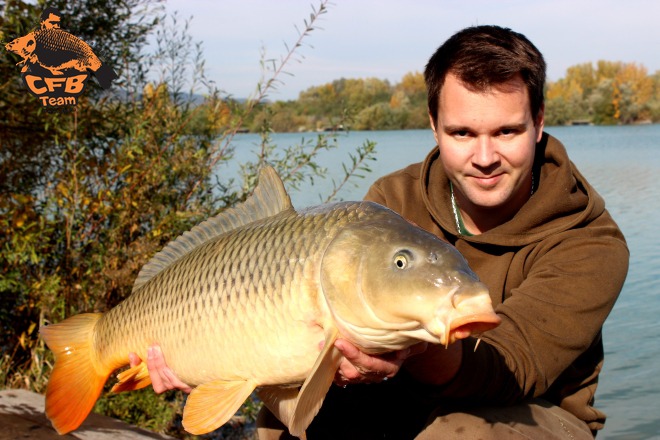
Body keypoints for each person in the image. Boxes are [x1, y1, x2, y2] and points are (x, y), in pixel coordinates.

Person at [133, 25, 629, 439]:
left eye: (506, 132)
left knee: (460, 433)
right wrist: (211, 357)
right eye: (462, 133)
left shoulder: (590, 242)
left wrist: (411, 350)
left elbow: (510, 368)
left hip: (533, 415)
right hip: (399, 397)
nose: (483, 157)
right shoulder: (392, 201)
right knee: (287, 422)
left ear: (538, 123)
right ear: (434, 126)